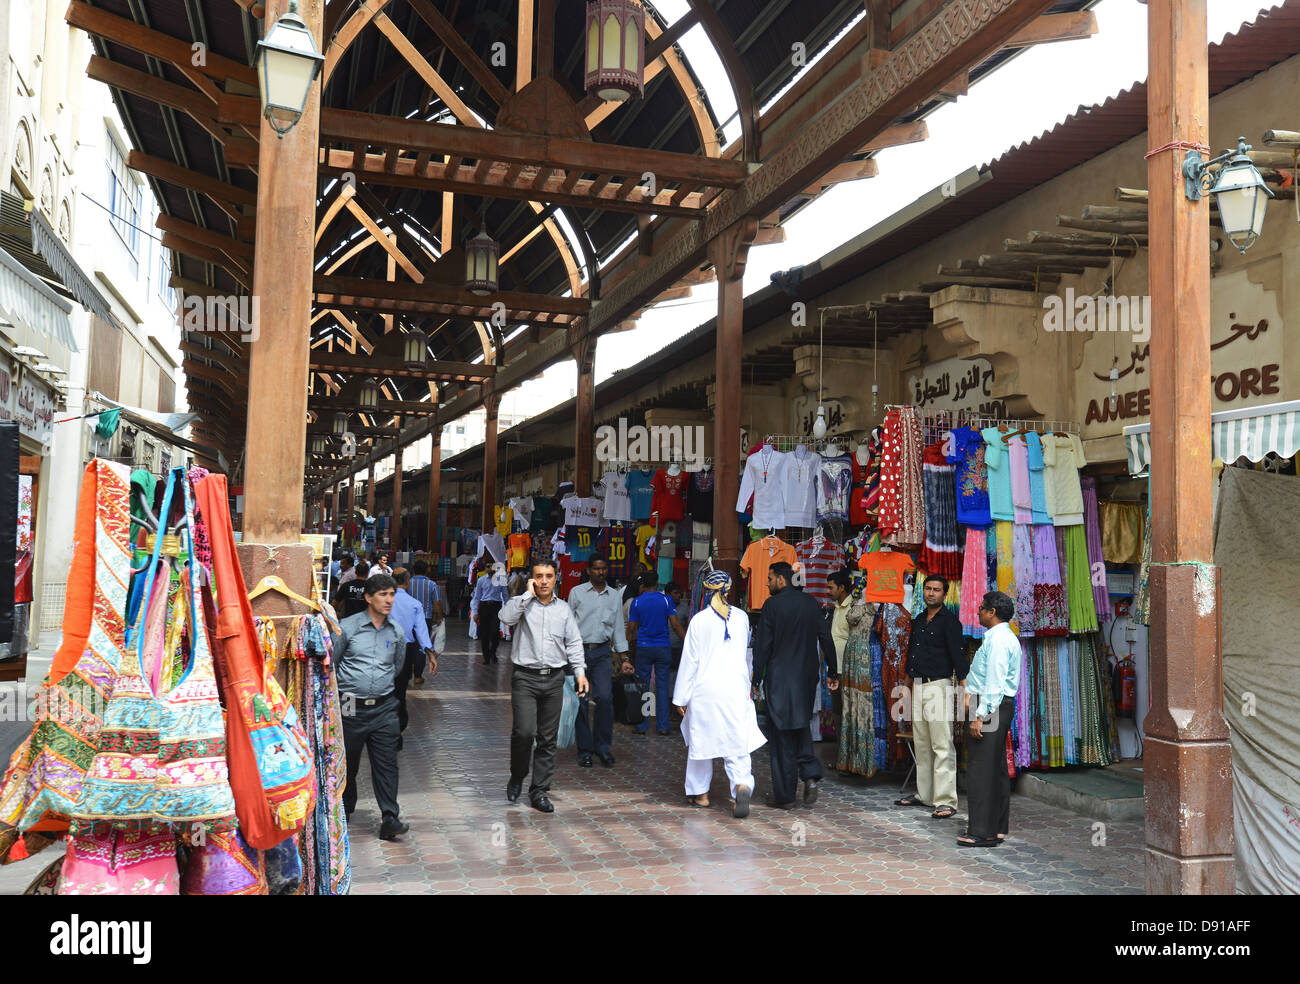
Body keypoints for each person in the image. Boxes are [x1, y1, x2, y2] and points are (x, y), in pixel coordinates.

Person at [672, 571, 766, 818]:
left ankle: (700, 794)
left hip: (705, 690)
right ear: (729, 589)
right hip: (735, 688)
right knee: (737, 742)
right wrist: (749, 685)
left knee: (700, 742)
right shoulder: (743, 618)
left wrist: (681, 697)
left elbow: (690, 661)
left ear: (704, 590)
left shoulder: (698, 621)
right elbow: (747, 654)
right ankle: (741, 786)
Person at [499, 561, 589, 813]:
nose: (544, 581)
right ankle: (517, 775)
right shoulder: (521, 604)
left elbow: (574, 642)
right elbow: (505, 618)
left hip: (554, 679)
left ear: (556, 578)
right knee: (524, 733)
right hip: (525, 678)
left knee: (547, 739)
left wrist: (580, 673)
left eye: (549, 576)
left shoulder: (563, 609)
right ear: (532, 579)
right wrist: (526, 595)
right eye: (539, 576)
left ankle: (539, 790)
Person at [752, 561, 838, 809]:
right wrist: (833, 670)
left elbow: (763, 646)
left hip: (779, 678)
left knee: (780, 735)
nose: (766, 583)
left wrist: (756, 678)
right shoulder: (811, 603)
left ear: (781, 579)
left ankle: (786, 797)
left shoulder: (772, 605)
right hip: (805, 678)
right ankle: (810, 774)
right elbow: (826, 638)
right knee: (800, 724)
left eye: (769, 579)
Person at [333, 572, 409, 840]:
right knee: (348, 761)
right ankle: (345, 808)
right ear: (368, 598)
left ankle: (390, 817)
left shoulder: (397, 632)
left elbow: (397, 667)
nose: (389, 600)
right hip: (350, 705)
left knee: (387, 763)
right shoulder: (347, 627)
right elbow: (333, 662)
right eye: (383, 595)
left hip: (385, 708)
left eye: (392, 595)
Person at [898, 574, 968, 819]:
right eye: (927, 588)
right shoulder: (918, 620)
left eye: (936, 590)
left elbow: (959, 658)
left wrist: (965, 690)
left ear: (944, 594)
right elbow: (910, 656)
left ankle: (947, 800)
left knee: (942, 745)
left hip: (939, 686)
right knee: (922, 744)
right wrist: (906, 690)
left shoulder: (950, 622)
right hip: (918, 685)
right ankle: (925, 795)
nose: (931, 593)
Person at [959, 590, 1022, 848]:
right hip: (999, 706)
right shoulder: (1007, 637)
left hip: (990, 706)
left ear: (992, 612)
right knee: (995, 769)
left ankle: (981, 832)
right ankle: (996, 827)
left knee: (981, 771)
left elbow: (994, 683)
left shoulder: (997, 640)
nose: (978, 611)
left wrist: (979, 717)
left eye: (982, 608)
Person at [567, 554, 630, 768]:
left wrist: (624, 657)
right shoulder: (576, 593)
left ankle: (603, 747)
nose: (600, 572)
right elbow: (567, 626)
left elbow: (618, 628)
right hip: (579, 653)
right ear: (588, 570)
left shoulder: (614, 595)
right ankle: (585, 750)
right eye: (596, 568)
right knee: (581, 701)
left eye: (603, 569)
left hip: (603, 652)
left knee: (605, 698)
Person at [627, 571, 685, 736]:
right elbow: (675, 624)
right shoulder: (667, 600)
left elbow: (631, 628)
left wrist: (625, 648)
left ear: (642, 585)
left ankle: (642, 725)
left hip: (644, 647)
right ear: (657, 582)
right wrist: (687, 640)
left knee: (644, 686)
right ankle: (663, 726)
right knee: (662, 686)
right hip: (663, 647)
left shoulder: (637, 602)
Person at [390, 568, 438, 741]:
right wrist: (430, 654)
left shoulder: (382, 600)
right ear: (407, 582)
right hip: (405, 649)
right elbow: (421, 631)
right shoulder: (414, 603)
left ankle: (386, 722)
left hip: (383, 648)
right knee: (400, 689)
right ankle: (398, 724)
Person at [407, 560, 444, 684]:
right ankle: (418, 675)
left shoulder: (408, 583)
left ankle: (409, 669)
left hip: (408, 618)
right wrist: (440, 617)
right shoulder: (432, 584)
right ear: (427, 570)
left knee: (409, 644)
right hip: (425, 619)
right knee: (422, 646)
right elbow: (437, 603)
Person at [470, 566, 510, 664]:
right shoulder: (481, 580)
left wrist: (509, 609)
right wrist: (475, 612)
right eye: (487, 566)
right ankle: (486, 656)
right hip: (484, 607)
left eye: (490, 566)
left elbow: (505, 595)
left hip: (496, 607)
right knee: (484, 634)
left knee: (495, 631)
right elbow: (477, 597)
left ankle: (493, 651)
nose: (488, 568)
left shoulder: (501, 580)